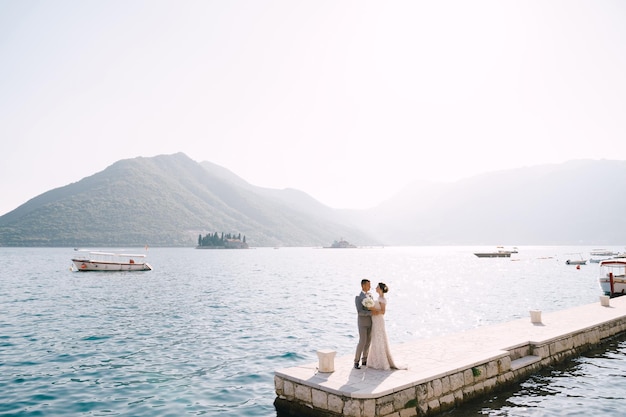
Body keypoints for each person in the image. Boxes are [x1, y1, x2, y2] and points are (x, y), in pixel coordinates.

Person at [367, 282, 400, 370]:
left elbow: (383, 312)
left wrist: (373, 310)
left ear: (380, 289)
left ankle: (381, 361)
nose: (376, 288)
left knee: (379, 338)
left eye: (377, 287)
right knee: (375, 338)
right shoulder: (378, 298)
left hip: (379, 321)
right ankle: (375, 360)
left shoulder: (382, 299)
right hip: (375, 320)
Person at [354, 279, 374, 369]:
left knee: (368, 342)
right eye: (368, 285)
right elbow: (359, 312)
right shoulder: (358, 297)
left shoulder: (370, 295)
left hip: (371, 322)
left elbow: (372, 307)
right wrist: (370, 313)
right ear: (363, 286)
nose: (370, 287)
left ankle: (365, 360)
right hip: (362, 323)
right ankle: (356, 361)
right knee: (362, 341)